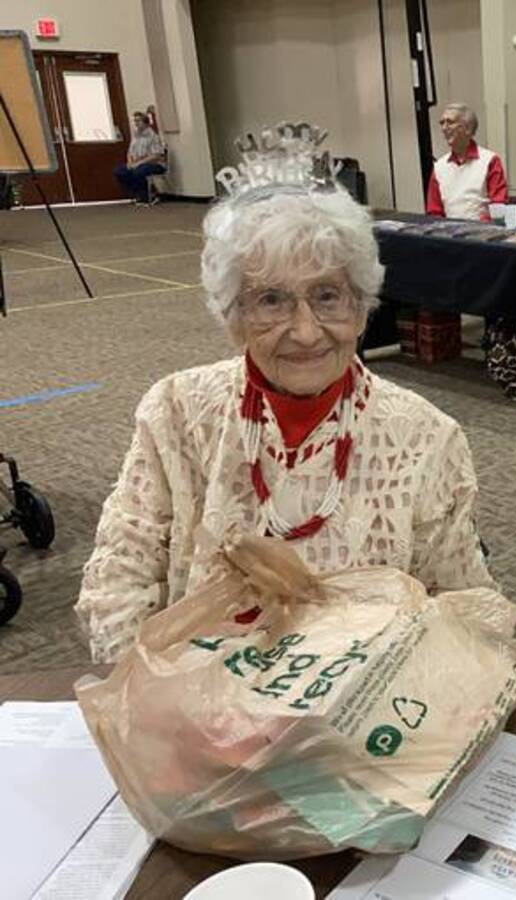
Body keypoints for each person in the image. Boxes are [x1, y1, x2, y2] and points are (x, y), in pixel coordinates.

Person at [76, 182, 494, 663]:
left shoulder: (426, 437)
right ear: (234, 315)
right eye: (272, 300)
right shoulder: (175, 411)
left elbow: (464, 610)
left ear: (361, 308)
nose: (305, 331)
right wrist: (154, 698)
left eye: (327, 296)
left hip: (360, 708)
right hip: (193, 702)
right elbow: (118, 582)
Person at [425, 103, 508, 220]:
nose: (444, 128)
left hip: (483, 233)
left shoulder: (490, 161)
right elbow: (434, 212)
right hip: (448, 233)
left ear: (468, 129)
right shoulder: (439, 167)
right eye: (442, 123)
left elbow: (499, 207)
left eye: (450, 122)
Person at [114, 110, 166, 205]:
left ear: (145, 122)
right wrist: (130, 162)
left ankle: (148, 195)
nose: (136, 124)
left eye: (138, 121)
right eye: (135, 121)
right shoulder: (136, 136)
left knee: (139, 171)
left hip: (154, 164)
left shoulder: (153, 136)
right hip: (136, 163)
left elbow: (156, 155)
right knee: (119, 171)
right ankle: (138, 192)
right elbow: (130, 152)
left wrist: (139, 163)